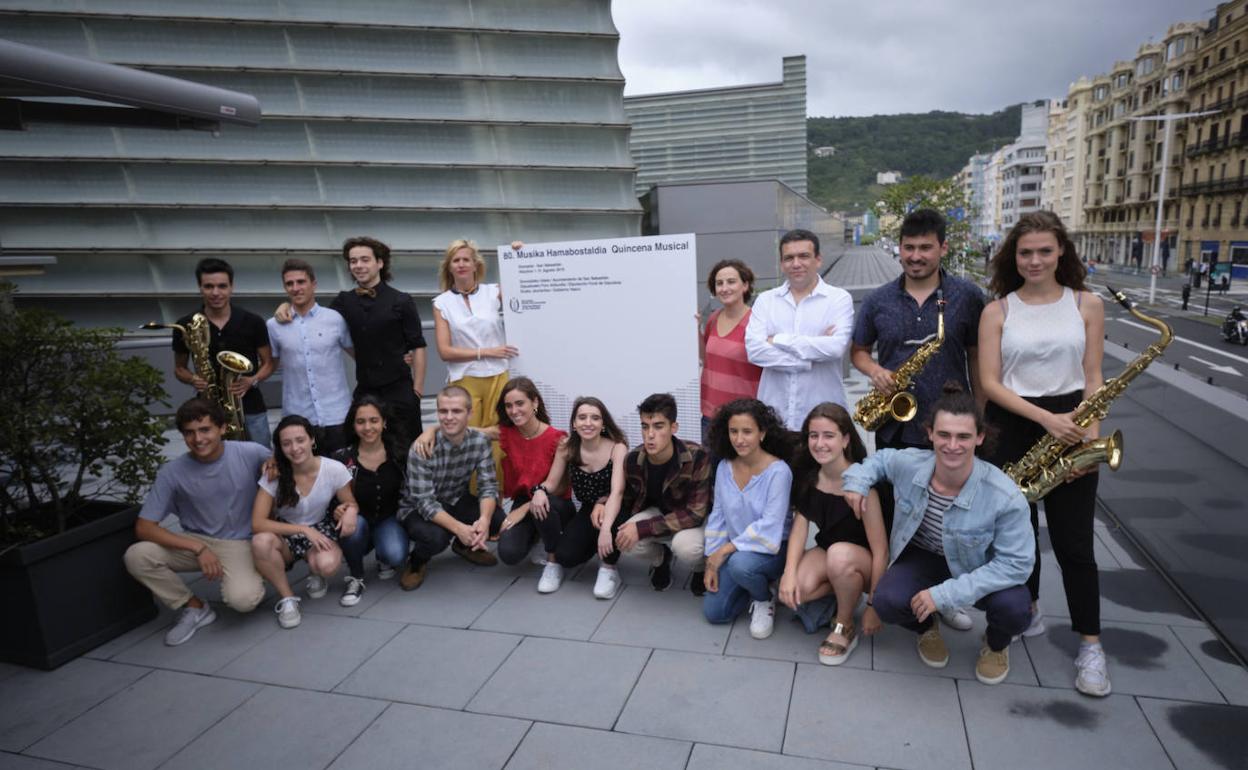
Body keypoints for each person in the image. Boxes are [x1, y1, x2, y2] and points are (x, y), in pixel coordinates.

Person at [977, 210, 1112, 697]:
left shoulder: (1087, 304)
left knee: (1076, 544)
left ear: (1061, 254)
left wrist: (1089, 439)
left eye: (1044, 251)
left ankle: (1091, 646)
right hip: (1013, 426)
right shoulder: (999, 311)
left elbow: (1093, 376)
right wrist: (1045, 421)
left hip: (1073, 423)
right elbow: (990, 383)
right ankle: (1027, 608)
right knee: (1017, 534)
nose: (1035, 260)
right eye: (1025, 252)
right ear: (1014, 257)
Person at [842, 384, 1034, 685]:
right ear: (930, 433)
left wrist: (944, 595)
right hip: (925, 557)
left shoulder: (1005, 496)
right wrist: (856, 482)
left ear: (979, 438)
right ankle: (925, 627)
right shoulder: (912, 463)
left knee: (1017, 609)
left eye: (963, 436)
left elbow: (1016, 565)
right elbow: (879, 461)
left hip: (978, 565)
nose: (952, 445)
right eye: (944, 435)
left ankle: (996, 645)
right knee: (887, 600)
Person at [851, 208, 983, 631]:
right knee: (899, 511)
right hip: (897, 424)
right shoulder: (878, 300)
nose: (916, 255)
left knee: (952, 516)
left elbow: (979, 359)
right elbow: (857, 351)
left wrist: (980, 418)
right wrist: (874, 371)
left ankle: (949, 595)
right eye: (909, 247)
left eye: (926, 247)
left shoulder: (967, 296)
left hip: (951, 430)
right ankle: (898, 590)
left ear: (943, 248)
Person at [123, 399, 268, 646]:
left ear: (222, 428)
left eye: (205, 430)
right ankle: (194, 607)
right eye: (189, 433)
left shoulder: (250, 452)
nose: (198, 439)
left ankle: (251, 573)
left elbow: (284, 466)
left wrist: (274, 464)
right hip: (196, 541)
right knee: (137, 556)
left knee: (243, 600)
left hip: (239, 542)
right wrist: (198, 549)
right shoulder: (172, 472)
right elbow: (144, 527)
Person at [413, 378, 576, 591]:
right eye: (509, 406)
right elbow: (463, 429)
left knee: (543, 507)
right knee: (508, 553)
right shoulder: (506, 433)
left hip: (553, 503)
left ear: (534, 403)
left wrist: (525, 509)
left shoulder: (558, 439)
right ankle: (536, 535)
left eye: (520, 403)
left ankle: (553, 562)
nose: (514, 410)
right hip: (525, 500)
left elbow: (560, 487)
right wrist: (432, 430)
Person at [778, 403, 888, 665]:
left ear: (846, 439)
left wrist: (874, 604)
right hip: (829, 551)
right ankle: (842, 593)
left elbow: (881, 550)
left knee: (839, 555)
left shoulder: (863, 484)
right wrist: (788, 574)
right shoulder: (810, 477)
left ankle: (844, 623)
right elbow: (799, 527)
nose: (820, 443)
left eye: (829, 436)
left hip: (864, 562)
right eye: (813, 436)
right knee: (796, 591)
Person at [250, 415, 358, 629]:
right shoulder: (275, 474)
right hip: (286, 532)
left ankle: (315, 572)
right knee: (260, 542)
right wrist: (302, 529)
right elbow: (257, 523)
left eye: (300, 440)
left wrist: (350, 511)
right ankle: (288, 598)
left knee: (327, 565)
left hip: (320, 526)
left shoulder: (333, 469)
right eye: (286, 443)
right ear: (280, 448)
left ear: (312, 440)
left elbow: (350, 502)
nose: (295, 448)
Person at [701, 399, 793, 639]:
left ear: (762, 433)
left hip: (773, 549)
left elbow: (770, 526)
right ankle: (752, 583)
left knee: (740, 565)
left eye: (747, 431)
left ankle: (765, 599)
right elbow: (718, 515)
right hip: (737, 550)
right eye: (734, 431)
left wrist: (724, 552)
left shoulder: (779, 472)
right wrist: (711, 558)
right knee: (715, 612)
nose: (739, 439)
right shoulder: (724, 467)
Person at [746, 228, 855, 430]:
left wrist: (779, 340)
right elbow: (754, 351)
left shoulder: (838, 299)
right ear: (781, 264)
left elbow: (835, 348)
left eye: (804, 256)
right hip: (774, 419)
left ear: (818, 260)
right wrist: (808, 358)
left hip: (824, 420)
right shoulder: (765, 301)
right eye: (789, 258)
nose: (796, 264)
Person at [394, 385, 499, 591]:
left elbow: (488, 486)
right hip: (415, 508)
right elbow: (425, 502)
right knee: (436, 539)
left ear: (470, 413)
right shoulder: (421, 448)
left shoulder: (480, 442)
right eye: (443, 411)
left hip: (454, 498)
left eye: (456, 411)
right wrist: (459, 528)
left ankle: (464, 545)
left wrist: (484, 520)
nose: (448, 417)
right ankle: (417, 562)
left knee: (496, 520)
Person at [331, 236, 427, 444]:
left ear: (380, 263)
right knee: (363, 449)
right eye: (353, 261)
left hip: (400, 389)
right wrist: (286, 308)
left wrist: (417, 391)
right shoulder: (344, 301)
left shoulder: (401, 300)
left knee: (408, 450)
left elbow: (418, 346)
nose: (358, 265)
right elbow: (320, 322)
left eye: (365, 260)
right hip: (365, 389)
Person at [615, 393, 713, 595]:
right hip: (659, 512)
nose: (650, 434)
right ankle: (661, 559)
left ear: (673, 428)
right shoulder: (634, 459)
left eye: (658, 426)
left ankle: (699, 568)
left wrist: (642, 528)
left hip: (694, 518)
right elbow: (626, 500)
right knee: (626, 537)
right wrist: (602, 503)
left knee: (685, 547)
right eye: (645, 426)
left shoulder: (697, 456)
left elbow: (695, 514)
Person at [172, 258, 274, 447]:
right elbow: (179, 368)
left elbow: (269, 363)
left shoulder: (253, 321)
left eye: (222, 286)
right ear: (200, 287)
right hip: (207, 411)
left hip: (250, 407)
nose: (216, 293)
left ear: (231, 287)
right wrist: (193, 379)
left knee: (262, 462)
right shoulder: (186, 324)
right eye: (209, 286)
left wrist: (252, 380)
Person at [266, 259, 354, 456]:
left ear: (313, 284)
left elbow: (360, 355)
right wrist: (250, 379)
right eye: (290, 283)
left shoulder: (335, 319)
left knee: (344, 476)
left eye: (301, 282)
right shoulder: (273, 325)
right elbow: (269, 364)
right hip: (297, 417)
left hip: (337, 415)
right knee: (304, 479)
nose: (296, 288)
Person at [548, 397, 630, 599]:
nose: (588, 423)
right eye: (582, 417)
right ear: (574, 423)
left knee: (608, 526)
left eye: (595, 418)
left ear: (603, 424)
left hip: (617, 505)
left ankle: (609, 568)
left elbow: (618, 492)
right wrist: (538, 492)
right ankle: (594, 545)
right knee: (566, 556)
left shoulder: (617, 448)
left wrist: (604, 530)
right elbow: (550, 483)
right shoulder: (567, 447)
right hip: (587, 508)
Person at [433, 239, 518, 432]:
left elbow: (525, 287)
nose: (461, 264)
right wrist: (487, 351)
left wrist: (517, 254)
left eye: (466, 259)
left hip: (499, 374)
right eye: (456, 260)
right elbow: (445, 351)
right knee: (467, 434)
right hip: (465, 377)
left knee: (502, 433)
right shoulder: (441, 303)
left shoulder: (493, 292)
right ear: (449, 267)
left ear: (475, 264)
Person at [333, 396, 411, 606]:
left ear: (384, 422)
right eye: (361, 422)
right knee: (353, 525)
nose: (368, 427)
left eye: (374, 420)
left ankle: (382, 557)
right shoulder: (343, 459)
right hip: (357, 520)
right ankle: (356, 577)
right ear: (353, 425)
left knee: (395, 554)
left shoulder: (399, 453)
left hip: (388, 518)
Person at [700, 259, 763, 443]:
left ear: (745, 285)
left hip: (744, 418)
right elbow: (706, 358)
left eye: (731, 281)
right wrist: (696, 330)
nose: (724, 288)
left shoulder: (758, 322)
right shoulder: (713, 318)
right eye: (719, 283)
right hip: (711, 416)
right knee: (712, 470)